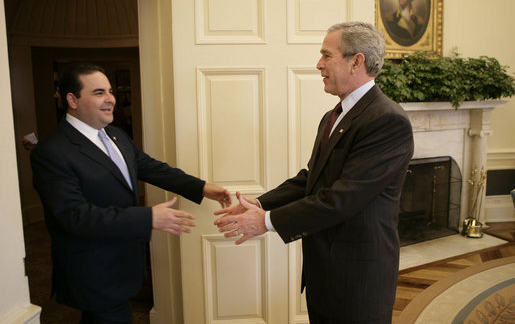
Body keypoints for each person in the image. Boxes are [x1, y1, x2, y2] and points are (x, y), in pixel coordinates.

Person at [215, 22, 414, 323]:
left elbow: (343, 198)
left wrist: (267, 222)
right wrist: (261, 204)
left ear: (356, 61)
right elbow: (313, 177)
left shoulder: (387, 120)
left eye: (326, 55)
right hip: (325, 271)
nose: (318, 64)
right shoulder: (332, 116)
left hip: (357, 277)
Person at [30, 63, 232, 323]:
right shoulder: (52, 151)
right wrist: (147, 218)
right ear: (72, 99)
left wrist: (202, 188)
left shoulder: (114, 134)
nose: (111, 99)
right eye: (99, 92)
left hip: (120, 263)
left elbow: (150, 167)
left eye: (111, 91)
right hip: (93, 269)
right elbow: (72, 216)